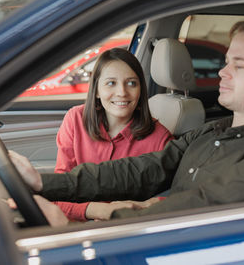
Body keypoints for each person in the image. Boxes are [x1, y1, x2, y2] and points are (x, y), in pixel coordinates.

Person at [10, 19, 244, 225]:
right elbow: (142, 171)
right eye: (227, 61)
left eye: (239, 65)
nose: (223, 72)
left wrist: (79, 226)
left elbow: (190, 214)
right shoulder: (211, 131)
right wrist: (42, 183)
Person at [53, 48, 173, 221]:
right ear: (96, 90)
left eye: (131, 83)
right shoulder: (75, 119)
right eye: (111, 83)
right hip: (78, 227)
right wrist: (97, 210)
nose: (122, 92)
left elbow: (176, 198)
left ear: (141, 91)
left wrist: (140, 207)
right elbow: (59, 191)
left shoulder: (160, 139)